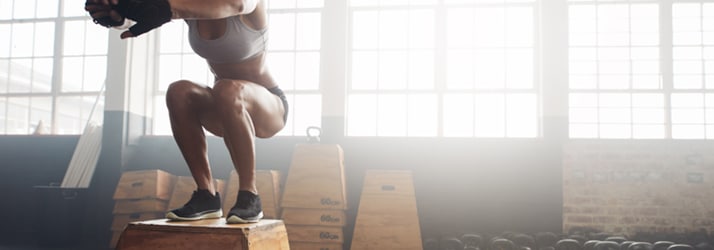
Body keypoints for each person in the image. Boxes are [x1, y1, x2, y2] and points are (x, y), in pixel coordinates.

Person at [85, 0, 287, 223]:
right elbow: (147, 12)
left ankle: (250, 195)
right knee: (178, 91)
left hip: (268, 106)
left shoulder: (248, 4)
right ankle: (206, 195)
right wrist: (118, 14)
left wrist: (163, 9)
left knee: (228, 88)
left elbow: (235, 5)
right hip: (224, 107)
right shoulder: (190, 7)